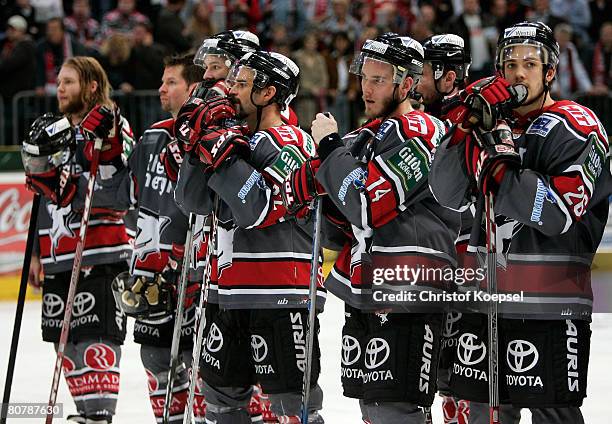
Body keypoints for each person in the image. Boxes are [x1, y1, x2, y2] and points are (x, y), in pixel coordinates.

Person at [428, 21, 612, 424]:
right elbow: (446, 193)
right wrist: (462, 131)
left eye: (530, 63)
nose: (518, 73)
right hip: (484, 302)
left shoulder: (577, 127)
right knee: (481, 415)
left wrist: (501, 163)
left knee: (554, 415)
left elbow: (554, 215)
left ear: (550, 73)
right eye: (509, 64)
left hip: (549, 305)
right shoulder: (489, 123)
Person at [288, 32, 458, 423]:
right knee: (373, 407)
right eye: (364, 76)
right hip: (367, 287)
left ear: (408, 84)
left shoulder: (424, 132)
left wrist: (330, 151)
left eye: (379, 79)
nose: (366, 87)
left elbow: (366, 205)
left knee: (394, 410)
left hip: (407, 287)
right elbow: (333, 216)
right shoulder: (362, 137)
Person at [175, 49, 325, 423]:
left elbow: (254, 209)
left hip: (281, 295)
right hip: (227, 293)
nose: (231, 91)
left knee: (293, 407)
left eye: (242, 84)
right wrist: (197, 144)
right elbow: (191, 201)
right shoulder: (236, 137)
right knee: (222, 403)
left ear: (268, 93)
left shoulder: (292, 142)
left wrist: (222, 154)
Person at [23, 56, 134, 424]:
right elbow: (42, 195)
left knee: (95, 337)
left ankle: (100, 415)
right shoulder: (53, 131)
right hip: (59, 255)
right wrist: (38, 254)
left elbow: (122, 189)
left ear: (90, 86)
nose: (60, 88)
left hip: (101, 254)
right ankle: (86, 415)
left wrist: (109, 140)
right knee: (65, 343)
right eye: (58, 82)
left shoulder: (111, 127)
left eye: (69, 81)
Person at [112, 53, 205, 423]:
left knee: (197, 362)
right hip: (151, 273)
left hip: (194, 275)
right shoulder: (151, 136)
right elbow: (125, 199)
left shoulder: (210, 138)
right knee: (155, 359)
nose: (161, 88)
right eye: (162, 81)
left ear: (192, 88)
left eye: (171, 82)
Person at [417, 33, 472, 424]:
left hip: (462, 263)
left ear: (447, 78)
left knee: (456, 376)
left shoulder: (465, 120)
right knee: (443, 374)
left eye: (419, 74)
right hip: (439, 260)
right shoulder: (433, 118)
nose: (413, 82)